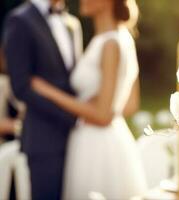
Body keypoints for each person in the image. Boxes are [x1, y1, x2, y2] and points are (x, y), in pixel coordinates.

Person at [31, 0, 148, 198]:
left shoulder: (109, 44)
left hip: (95, 145)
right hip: (114, 138)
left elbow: (103, 115)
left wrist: (47, 91)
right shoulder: (122, 38)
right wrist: (97, 103)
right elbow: (129, 105)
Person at [2, 0, 83, 199]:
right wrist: (72, 116)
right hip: (44, 141)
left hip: (80, 140)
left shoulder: (72, 23)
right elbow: (21, 86)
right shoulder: (19, 20)